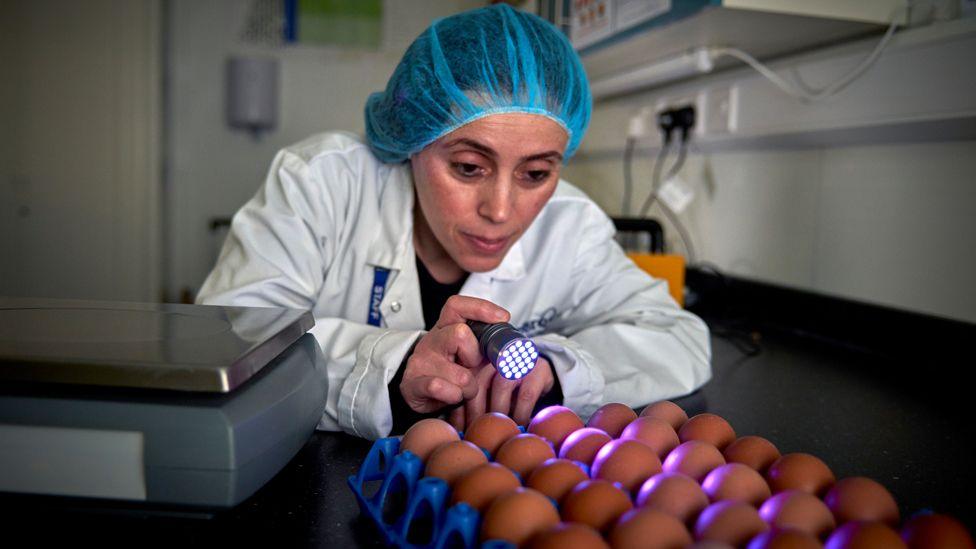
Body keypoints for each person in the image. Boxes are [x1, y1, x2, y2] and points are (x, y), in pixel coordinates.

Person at [197, 4, 711, 440]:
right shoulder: (323, 182)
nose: (501, 210)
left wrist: (557, 374)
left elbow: (678, 338)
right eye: (468, 167)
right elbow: (229, 337)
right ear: (413, 141)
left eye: (535, 172)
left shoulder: (569, 226)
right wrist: (393, 369)